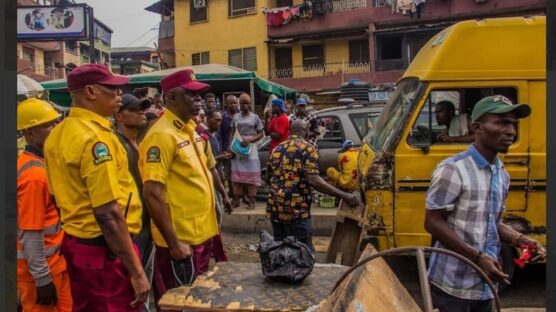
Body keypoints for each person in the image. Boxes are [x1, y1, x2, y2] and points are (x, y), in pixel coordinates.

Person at [424, 95, 545, 312]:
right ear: (477, 127)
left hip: (487, 286)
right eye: (501, 123)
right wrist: (477, 258)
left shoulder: (501, 174)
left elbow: (490, 221)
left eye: (513, 124)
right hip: (452, 287)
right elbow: (432, 222)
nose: (511, 131)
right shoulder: (453, 169)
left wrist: (521, 240)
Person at [44, 64, 149, 311]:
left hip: (78, 244)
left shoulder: (57, 134)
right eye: (113, 89)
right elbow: (108, 213)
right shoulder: (95, 139)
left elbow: (55, 196)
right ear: (91, 91)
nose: (119, 95)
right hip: (106, 252)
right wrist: (136, 271)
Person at [139, 69, 223, 311]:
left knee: (197, 299)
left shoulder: (188, 130)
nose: (198, 100)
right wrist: (174, 243)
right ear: (172, 98)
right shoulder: (161, 136)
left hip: (200, 233)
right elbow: (152, 193)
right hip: (181, 241)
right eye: (191, 94)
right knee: (177, 302)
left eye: (199, 95)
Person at [266, 120, 359, 251]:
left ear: (290, 131)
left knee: (281, 252)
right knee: (304, 253)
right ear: (307, 132)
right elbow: (314, 180)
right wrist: (345, 195)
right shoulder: (308, 148)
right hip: (296, 212)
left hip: (275, 209)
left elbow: (268, 178)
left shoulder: (277, 148)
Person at [17, 98, 72, 312]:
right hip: (39, 273)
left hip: (55, 266)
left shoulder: (39, 164)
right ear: (29, 133)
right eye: (47, 125)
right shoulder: (33, 175)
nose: (54, 128)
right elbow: (30, 233)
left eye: (55, 122)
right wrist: (41, 279)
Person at [114, 94, 154, 275]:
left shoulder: (139, 143)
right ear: (119, 115)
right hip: (129, 227)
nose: (141, 113)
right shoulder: (115, 144)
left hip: (146, 222)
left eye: (142, 109)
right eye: (133, 110)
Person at [229, 93, 264, 210]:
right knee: (237, 175)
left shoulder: (255, 117)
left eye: (247, 103)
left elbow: (261, 133)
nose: (245, 105)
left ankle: (251, 201)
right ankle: (236, 200)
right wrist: (230, 148)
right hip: (238, 147)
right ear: (240, 103)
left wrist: (250, 140)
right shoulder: (236, 117)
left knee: (252, 175)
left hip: (251, 148)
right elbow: (232, 132)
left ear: (250, 104)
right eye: (243, 103)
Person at [219, 95, 239, 197]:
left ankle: (241, 195)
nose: (233, 105)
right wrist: (222, 149)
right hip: (227, 150)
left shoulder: (240, 115)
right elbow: (220, 135)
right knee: (230, 173)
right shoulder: (223, 117)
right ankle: (232, 193)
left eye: (235, 103)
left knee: (240, 172)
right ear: (226, 104)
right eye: (231, 103)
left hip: (239, 150)